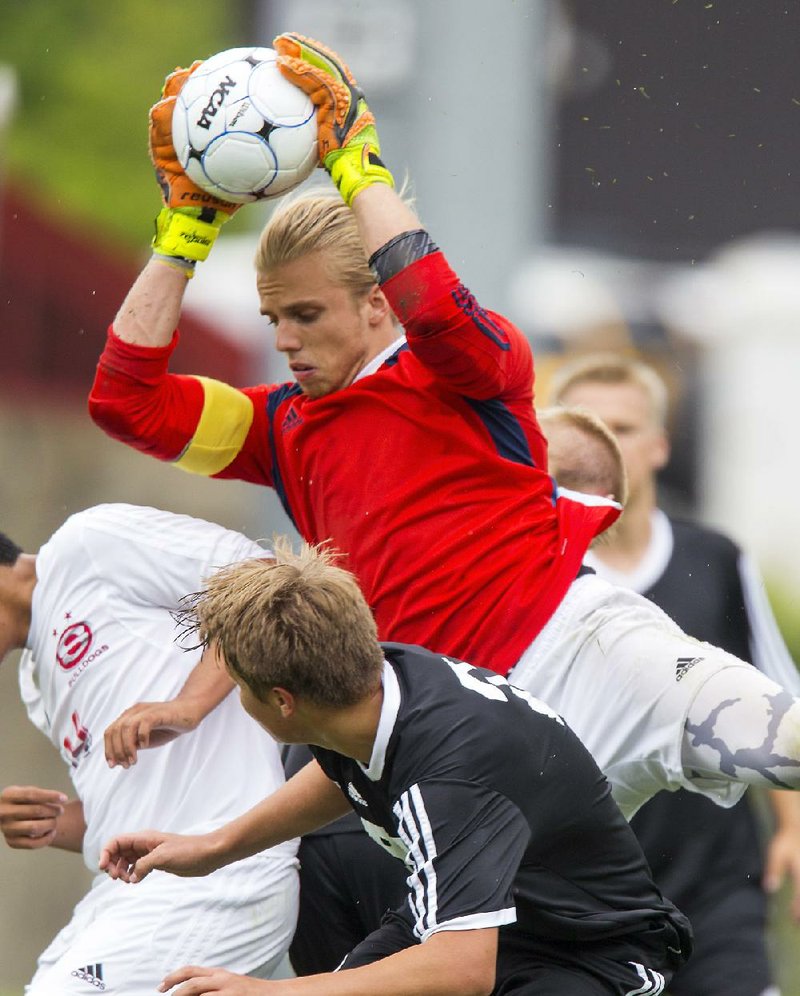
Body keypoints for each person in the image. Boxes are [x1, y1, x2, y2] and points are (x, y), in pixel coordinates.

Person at [88, 30, 800, 957]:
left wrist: (356, 163)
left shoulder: (464, 368)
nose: (286, 340)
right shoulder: (280, 428)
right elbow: (125, 400)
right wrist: (184, 231)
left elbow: (432, 303)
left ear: (374, 304)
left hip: (588, 654)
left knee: (781, 740)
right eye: (273, 320)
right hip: (459, 737)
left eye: (306, 315)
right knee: (493, 966)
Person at [99, 542, 693, 996]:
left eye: (238, 688)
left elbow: (461, 970)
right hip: (479, 923)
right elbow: (344, 771)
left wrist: (268, 990)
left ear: (282, 701)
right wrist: (215, 847)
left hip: (589, 956)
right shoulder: (369, 682)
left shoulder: (449, 780)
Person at [547, 354, 800, 996]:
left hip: (718, 888)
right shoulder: (539, 579)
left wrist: (794, 831)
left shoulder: (714, 560)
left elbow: (779, 704)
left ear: (659, 444)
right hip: (584, 904)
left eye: (624, 428)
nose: (607, 445)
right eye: (589, 428)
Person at [0, 503, 299, 994]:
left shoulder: (86, 546)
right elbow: (139, 803)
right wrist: (55, 824)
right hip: (126, 895)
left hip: (220, 877)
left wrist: (188, 704)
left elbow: (266, 581)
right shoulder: (35, 684)